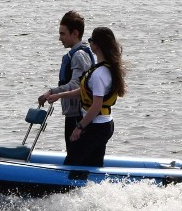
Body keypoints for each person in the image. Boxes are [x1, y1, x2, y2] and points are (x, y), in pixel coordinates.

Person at [46, 26, 125, 167]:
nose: (89, 43)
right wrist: (59, 95)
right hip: (103, 124)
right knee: (94, 164)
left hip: (97, 127)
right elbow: (83, 91)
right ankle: (96, 188)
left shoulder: (100, 74)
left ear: (96, 45)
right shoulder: (104, 69)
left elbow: (96, 106)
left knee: (71, 163)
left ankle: (65, 187)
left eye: (91, 40)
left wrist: (79, 127)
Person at [37, 11, 95, 148]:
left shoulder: (79, 55)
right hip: (74, 114)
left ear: (75, 33)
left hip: (78, 115)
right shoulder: (78, 54)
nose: (59, 38)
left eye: (63, 34)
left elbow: (76, 84)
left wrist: (51, 92)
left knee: (74, 153)